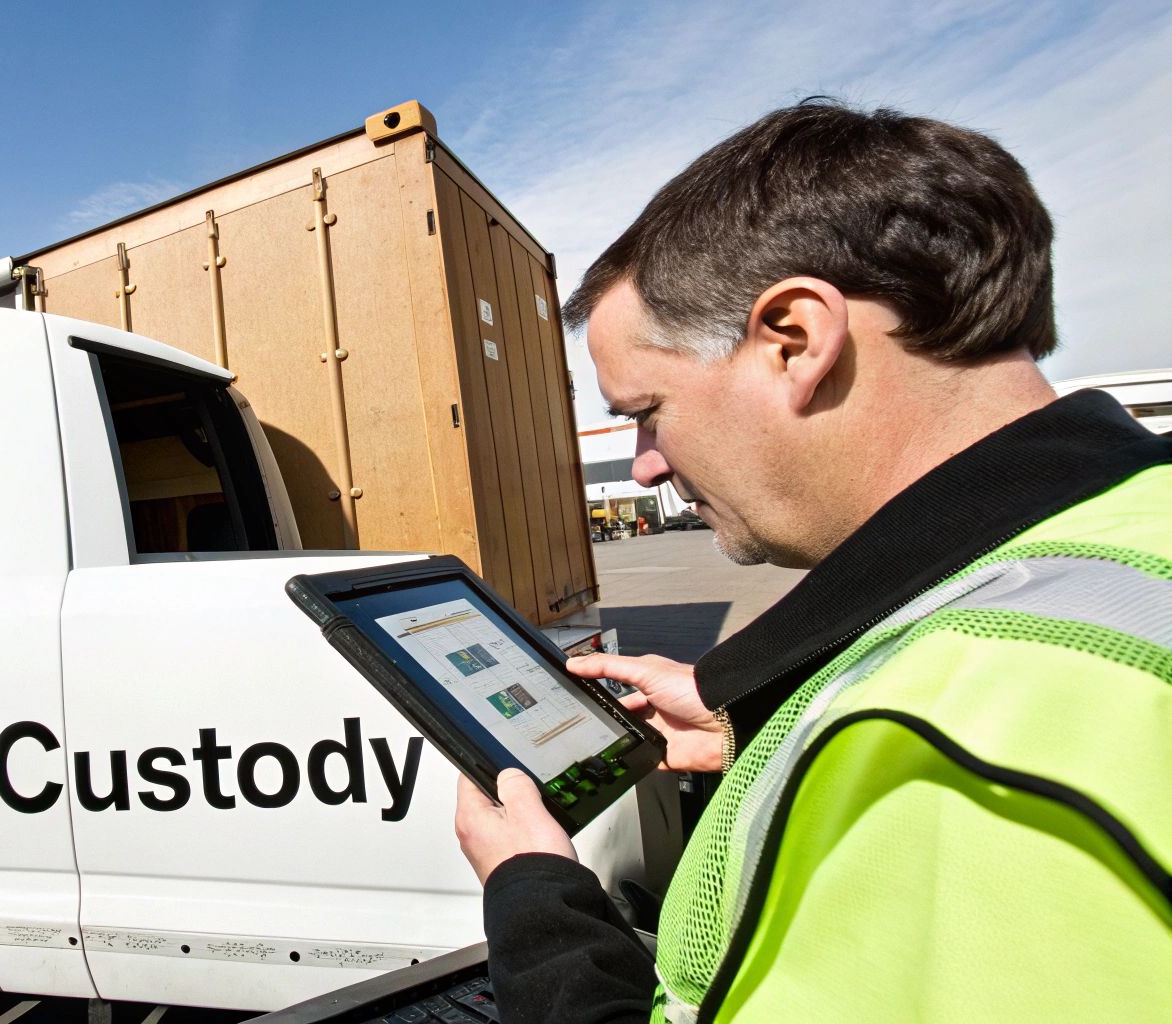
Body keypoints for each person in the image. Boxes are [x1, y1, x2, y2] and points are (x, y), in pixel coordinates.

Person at [453, 100, 1172, 1022]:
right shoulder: (1116, 539)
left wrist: (533, 896)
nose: (645, 462)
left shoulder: (960, 748)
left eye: (646, 409)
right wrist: (759, 728)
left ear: (795, 339)